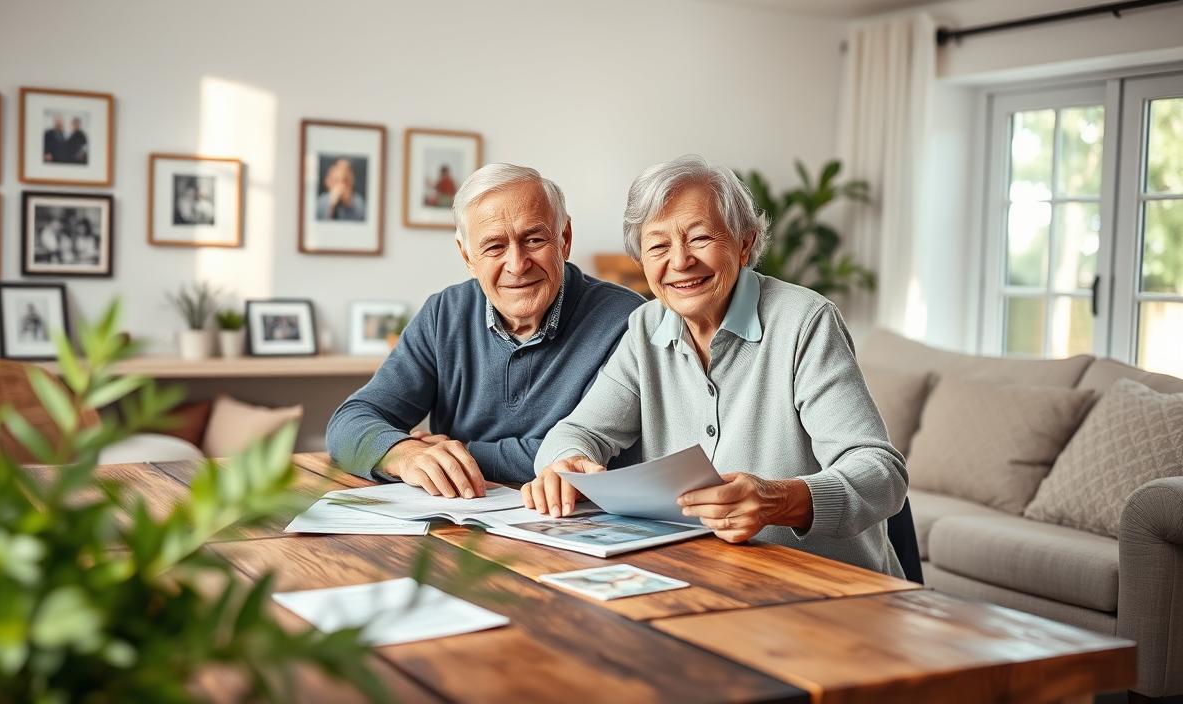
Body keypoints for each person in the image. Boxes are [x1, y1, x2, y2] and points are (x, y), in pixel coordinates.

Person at [524, 155, 915, 578]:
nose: (680, 261)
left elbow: (881, 473)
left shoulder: (804, 321)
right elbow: (577, 432)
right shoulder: (647, 326)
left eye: (700, 238)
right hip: (705, 578)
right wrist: (566, 462)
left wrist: (779, 499)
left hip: (827, 585)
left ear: (744, 243)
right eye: (658, 245)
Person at [326, 163, 645, 496]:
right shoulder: (443, 314)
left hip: (581, 523)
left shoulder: (625, 319)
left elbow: (596, 455)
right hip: (463, 524)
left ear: (564, 239)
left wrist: (460, 453)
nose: (518, 264)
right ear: (467, 255)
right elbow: (348, 424)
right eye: (494, 247)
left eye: (534, 240)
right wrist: (405, 455)